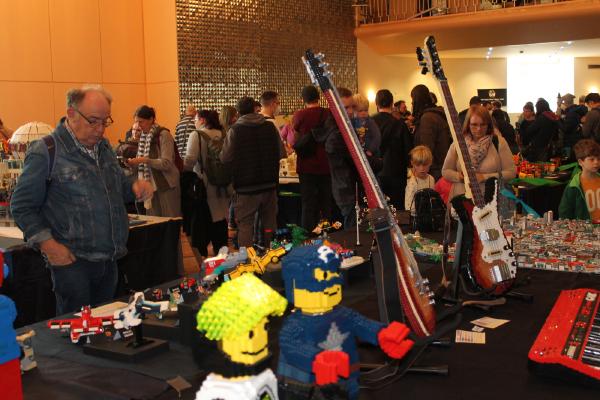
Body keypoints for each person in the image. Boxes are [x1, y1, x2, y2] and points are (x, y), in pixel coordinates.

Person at [10, 85, 153, 315]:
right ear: (71, 114)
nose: (100, 129)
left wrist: (134, 186)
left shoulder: (103, 148)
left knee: (106, 325)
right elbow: (21, 206)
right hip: (71, 262)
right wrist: (49, 246)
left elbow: (118, 185)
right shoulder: (46, 151)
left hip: (109, 258)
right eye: (93, 121)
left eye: (105, 121)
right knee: (77, 330)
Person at [220, 97, 285, 247]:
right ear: (256, 109)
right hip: (269, 184)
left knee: (245, 225)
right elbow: (282, 153)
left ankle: (247, 258)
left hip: (245, 187)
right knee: (269, 224)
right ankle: (269, 252)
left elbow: (225, 158)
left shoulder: (235, 130)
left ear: (238, 113)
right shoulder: (269, 127)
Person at [442, 105, 515, 201]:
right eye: (474, 125)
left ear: (489, 125)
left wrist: (484, 177)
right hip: (462, 200)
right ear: (468, 124)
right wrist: (460, 176)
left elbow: (511, 173)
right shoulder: (458, 143)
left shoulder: (499, 142)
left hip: (493, 200)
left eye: (483, 124)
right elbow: (445, 171)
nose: (479, 129)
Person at [185, 109, 232, 257]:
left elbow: (190, 160)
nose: (195, 122)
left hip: (205, 185)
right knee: (222, 218)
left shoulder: (196, 135)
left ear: (203, 120)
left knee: (204, 218)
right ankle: (222, 253)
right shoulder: (224, 134)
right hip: (224, 184)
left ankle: (204, 256)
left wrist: (183, 170)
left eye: (196, 119)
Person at [126, 106, 181, 217]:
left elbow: (166, 163)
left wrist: (145, 160)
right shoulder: (143, 138)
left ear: (151, 119)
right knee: (155, 222)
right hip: (150, 188)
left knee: (170, 221)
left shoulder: (164, 135)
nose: (139, 126)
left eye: (141, 122)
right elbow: (140, 166)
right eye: (136, 122)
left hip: (167, 185)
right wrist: (131, 163)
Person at [293, 85, 333, 231]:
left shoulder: (300, 115)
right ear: (318, 97)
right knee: (326, 202)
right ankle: (328, 233)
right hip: (326, 164)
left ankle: (307, 235)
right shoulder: (328, 113)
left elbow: (295, 139)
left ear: (303, 99)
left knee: (308, 204)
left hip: (306, 165)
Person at [372, 89, 412, 210]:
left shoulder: (369, 123)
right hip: (396, 175)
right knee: (397, 210)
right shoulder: (400, 124)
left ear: (376, 103)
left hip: (374, 174)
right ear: (392, 103)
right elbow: (408, 151)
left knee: (377, 211)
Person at [411, 84, 452, 180]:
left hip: (434, 171)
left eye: (413, 100)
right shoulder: (436, 113)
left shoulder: (427, 118)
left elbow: (426, 149)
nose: (412, 103)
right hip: (441, 165)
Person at [558, 139, 600, 222]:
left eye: (598, 159)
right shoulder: (573, 187)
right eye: (591, 159)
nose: (596, 162)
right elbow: (564, 214)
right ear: (581, 162)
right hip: (585, 228)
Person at [176, 104, 198, 235]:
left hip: (181, 162)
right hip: (190, 163)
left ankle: (185, 225)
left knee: (184, 195)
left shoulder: (179, 124)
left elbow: (177, 142)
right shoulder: (193, 124)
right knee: (192, 195)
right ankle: (191, 226)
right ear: (194, 112)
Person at [404, 145, 435, 214]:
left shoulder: (431, 179)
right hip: (416, 217)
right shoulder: (412, 183)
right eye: (418, 165)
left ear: (430, 163)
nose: (422, 168)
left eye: (425, 165)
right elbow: (408, 207)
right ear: (412, 163)